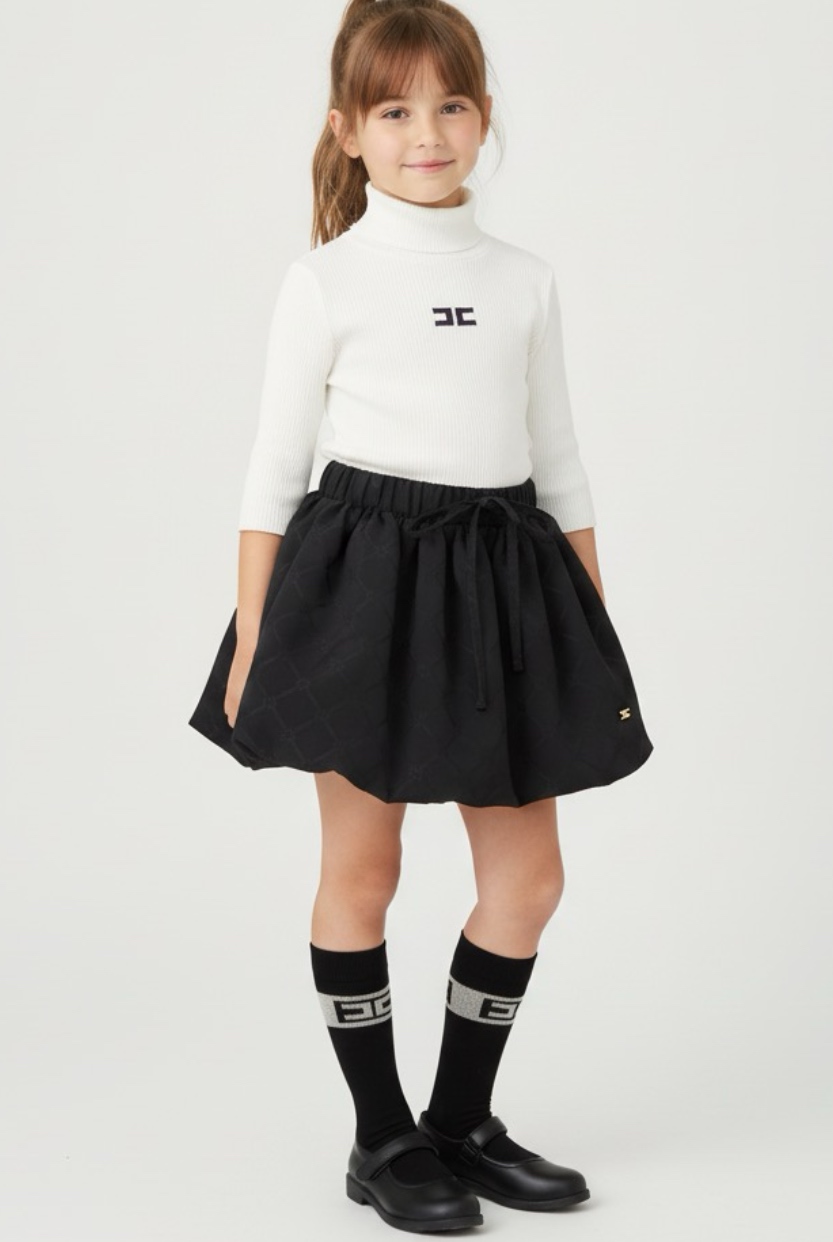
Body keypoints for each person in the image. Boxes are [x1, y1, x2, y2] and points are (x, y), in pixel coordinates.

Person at [188, 0, 654, 1232]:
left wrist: (591, 630)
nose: (426, 132)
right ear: (349, 130)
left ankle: (457, 1121)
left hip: (503, 585)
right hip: (361, 589)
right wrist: (254, 636)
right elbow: (270, 477)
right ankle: (381, 1136)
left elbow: (560, 466)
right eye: (394, 110)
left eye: (450, 105)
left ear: (483, 118)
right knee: (366, 867)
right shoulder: (325, 281)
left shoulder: (524, 282)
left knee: (529, 881)